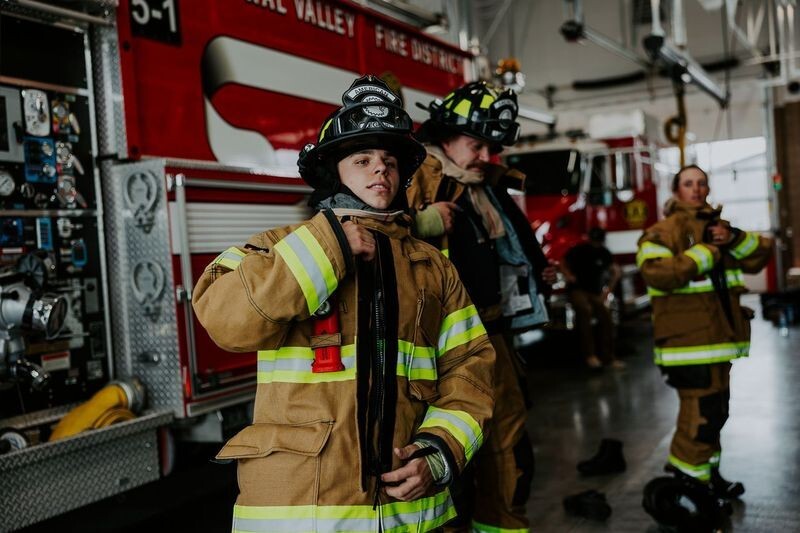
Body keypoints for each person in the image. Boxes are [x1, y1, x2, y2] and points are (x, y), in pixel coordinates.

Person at [192, 76, 496, 532]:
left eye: (390, 161)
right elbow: (225, 321)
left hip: (406, 519)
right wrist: (326, 249)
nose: (381, 170)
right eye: (363, 159)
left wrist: (437, 454)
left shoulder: (433, 268)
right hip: (303, 515)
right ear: (334, 171)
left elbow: (470, 371)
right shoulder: (277, 248)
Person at [407, 81, 553, 533]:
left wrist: (537, 270)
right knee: (448, 456)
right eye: (478, 145)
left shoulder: (483, 185)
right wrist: (422, 221)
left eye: (492, 147)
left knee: (508, 448)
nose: (487, 157)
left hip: (494, 335)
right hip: (440, 348)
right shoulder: (417, 177)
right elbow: (371, 233)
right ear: (446, 136)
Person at [636, 164, 773, 498]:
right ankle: (687, 484)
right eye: (688, 184)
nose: (696, 189)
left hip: (718, 342)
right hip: (688, 345)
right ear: (675, 191)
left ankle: (709, 476)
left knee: (715, 414)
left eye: (701, 183)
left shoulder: (719, 230)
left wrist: (734, 238)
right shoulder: (663, 231)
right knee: (701, 417)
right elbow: (656, 274)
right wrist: (703, 255)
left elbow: (760, 256)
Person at [561, 227, 624, 369]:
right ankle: (590, 356)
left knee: (606, 317)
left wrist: (606, 292)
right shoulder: (579, 250)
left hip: (594, 292)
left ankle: (608, 357)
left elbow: (616, 272)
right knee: (585, 311)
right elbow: (563, 262)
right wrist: (569, 276)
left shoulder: (604, 253)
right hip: (577, 289)